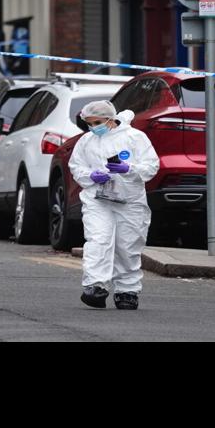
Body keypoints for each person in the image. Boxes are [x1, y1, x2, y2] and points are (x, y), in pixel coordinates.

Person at [69, 100, 160, 310]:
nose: (93, 127)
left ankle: (127, 291)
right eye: (89, 123)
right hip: (97, 199)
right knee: (98, 240)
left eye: (97, 122)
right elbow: (76, 166)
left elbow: (151, 166)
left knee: (127, 246)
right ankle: (95, 286)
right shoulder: (86, 141)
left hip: (130, 201)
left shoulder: (134, 138)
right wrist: (90, 175)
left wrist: (128, 168)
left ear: (110, 119)